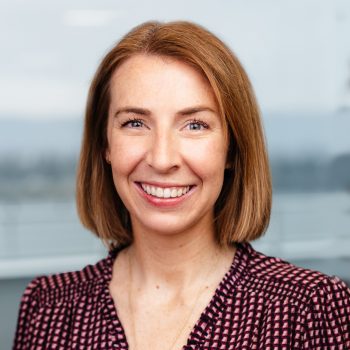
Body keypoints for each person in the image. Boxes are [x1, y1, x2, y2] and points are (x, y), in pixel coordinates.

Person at [13, 21, 350, 350]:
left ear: (232, 148)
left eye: (194, 125)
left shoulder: (309, 308)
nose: (162, 159)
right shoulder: (47, 307)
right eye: (134, 123)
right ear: (106, 145)